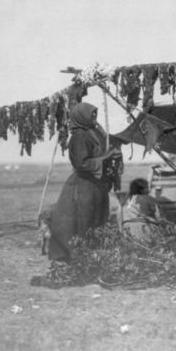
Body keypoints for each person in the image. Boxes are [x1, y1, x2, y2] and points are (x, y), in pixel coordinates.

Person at [47, 102, 122, 261]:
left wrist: (110, 157)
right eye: (91, 114)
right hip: (85, 185)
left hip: (97, 183)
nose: (94, 117)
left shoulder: (93, 132)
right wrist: (106, 157)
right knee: (85, 221)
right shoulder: (80, 136)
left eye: (95, 114)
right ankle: (82, 257)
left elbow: (99, 154)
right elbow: (81, 164)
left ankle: (94, 255)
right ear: (81, 116)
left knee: (99, 218)